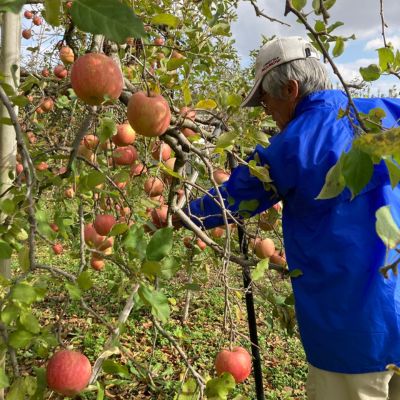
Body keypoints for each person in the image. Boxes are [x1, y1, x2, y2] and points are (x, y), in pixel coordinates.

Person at [177, 36, 400, 399]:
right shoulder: (386, 114)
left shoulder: (291, 146)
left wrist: (179, 215)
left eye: (265, 99)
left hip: (350, 336)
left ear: (291, 89)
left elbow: (230, 200)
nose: (265, 111)